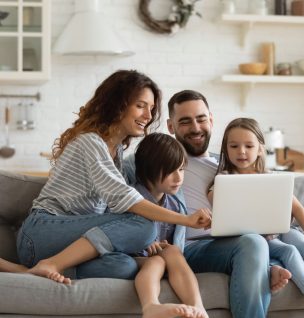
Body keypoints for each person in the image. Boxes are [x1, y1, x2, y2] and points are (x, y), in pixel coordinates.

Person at [166, 90, 304, 318]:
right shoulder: (166, 162)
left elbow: (282, 202)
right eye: (185, 121)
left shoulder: (226, 164)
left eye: (200, 119)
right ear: (171, 125)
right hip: (200, 247)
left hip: (248, 244)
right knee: (254, 243)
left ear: (211, 119)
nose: (195, 127)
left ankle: (266, 270)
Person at [0, 70, 211, 285]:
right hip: (42, 232)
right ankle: (51, 265)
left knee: (124, 266)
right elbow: (126, 200)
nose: (148, 116)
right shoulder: (90, 143)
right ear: (117, 104)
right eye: (140, 105)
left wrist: (140, 242)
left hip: (68, 241)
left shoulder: (116, 152)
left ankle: (32, 269)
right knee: (145, 226)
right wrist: (186, 220)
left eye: (151, 108)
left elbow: (114, 212)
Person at [207, 117, 304, 315]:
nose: (241, 151)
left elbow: (298, 209)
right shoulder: (224, 179)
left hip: (280, 231)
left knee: (303, 244)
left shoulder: (271, 178)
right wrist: (218, 191)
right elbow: (213, 199)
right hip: (256, 240)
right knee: (290, 251)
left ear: (260, 148)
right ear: (226, 149)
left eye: (249, 146)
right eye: (234, 146)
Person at [133, 132, 208, 318]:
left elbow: (177, 241)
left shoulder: (175, 202)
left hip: (166, 257)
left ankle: (198, 308)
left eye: (182, 169)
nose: (179, 177)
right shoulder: (133, 198)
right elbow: (120, 233)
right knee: (156, 262)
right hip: (135, 256)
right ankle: (151, 306)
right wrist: (144, 243)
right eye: (170, 171)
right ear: (148, 170)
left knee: (173, 252)